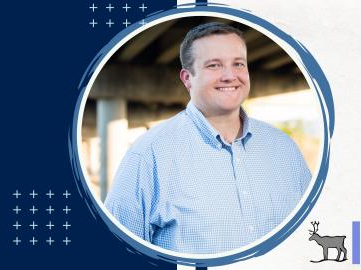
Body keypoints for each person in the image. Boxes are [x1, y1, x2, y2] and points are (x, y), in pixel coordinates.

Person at [104, 22, 311, 254]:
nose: (230, 75)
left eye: (238, 64)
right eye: (214, 65)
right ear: (187, 78)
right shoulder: (149, 156)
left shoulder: (284, 149)